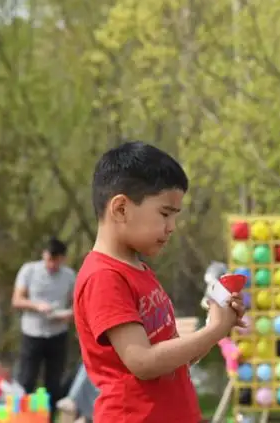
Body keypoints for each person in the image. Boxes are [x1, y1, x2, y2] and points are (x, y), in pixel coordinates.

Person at [72, 141, 245, 423]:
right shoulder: (103, 276)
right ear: (121, 209)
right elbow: (143, 361)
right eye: (165, 214)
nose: (172, 227)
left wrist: (218, 323)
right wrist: (213, 330)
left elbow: (172, 358)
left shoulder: (140, 271)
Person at [11, 237, 75, 420]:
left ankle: (48, 418)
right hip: (33, 334)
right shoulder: (29, 271)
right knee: (26, 381)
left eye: (56, 260)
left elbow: (77, 304)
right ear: (44, 255)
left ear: (63, 259)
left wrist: (68, 315)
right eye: (49, 259)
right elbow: (17, 300)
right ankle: (20, 418)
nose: (52, 264)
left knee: (54, 385)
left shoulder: (69, 276)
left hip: (57, 335)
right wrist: (37, 306)